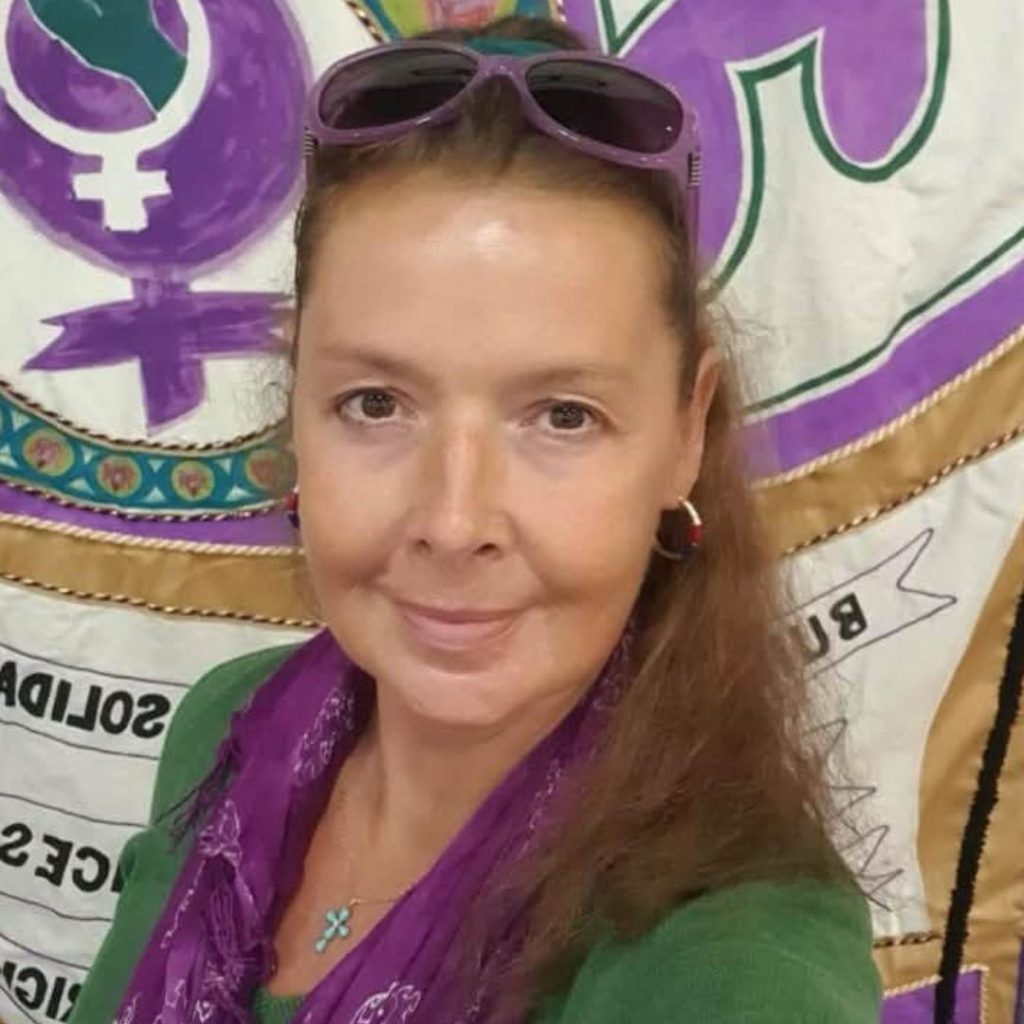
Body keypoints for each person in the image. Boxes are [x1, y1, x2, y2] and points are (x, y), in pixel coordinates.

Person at [70, 15, 882, 1024]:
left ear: (685, 433)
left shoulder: (731, 960)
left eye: (563, 416)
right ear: (296, 406)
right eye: (375, 403)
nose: (453, 523)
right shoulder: (226, 727)